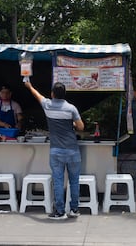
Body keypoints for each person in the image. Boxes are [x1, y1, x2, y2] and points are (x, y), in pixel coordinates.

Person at [25, 81, 84, 220]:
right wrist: (73, 124)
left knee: (58, 181)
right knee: (74, 181)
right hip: (72, 150)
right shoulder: (71, 108)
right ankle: (74, 209)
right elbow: (81, 127)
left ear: (52, 94)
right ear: (64, 95)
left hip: (56, 151)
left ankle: (60, 211)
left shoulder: (47, 105)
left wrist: (30, 86)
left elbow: (37, 95)